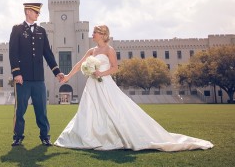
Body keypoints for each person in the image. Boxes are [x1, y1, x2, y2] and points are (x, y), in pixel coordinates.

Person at [54, 25, 214, 151]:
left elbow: (115, 68)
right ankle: (91, 136)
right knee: (90, 110)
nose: (93, 35)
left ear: (103, 35)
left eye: (95, 32)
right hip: (92, 85)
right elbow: (79, 64)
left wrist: (100, 72)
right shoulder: (92, 50)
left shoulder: (110, 50)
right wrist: (67, 76)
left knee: (114, 109)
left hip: (105, 83)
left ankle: (114, 136)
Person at [9, 2, 65, 147]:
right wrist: (16, 72)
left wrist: (57, 72)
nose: (38, 14)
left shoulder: (41, 31)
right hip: (23, 79)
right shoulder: (17, 29)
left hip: (39, 79)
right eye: (36, 12)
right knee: (20, 109)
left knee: (42, 109)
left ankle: (45, 136)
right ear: (28, 11)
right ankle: (18, 136)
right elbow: (13, 52)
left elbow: (47, 53)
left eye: (39, 12)